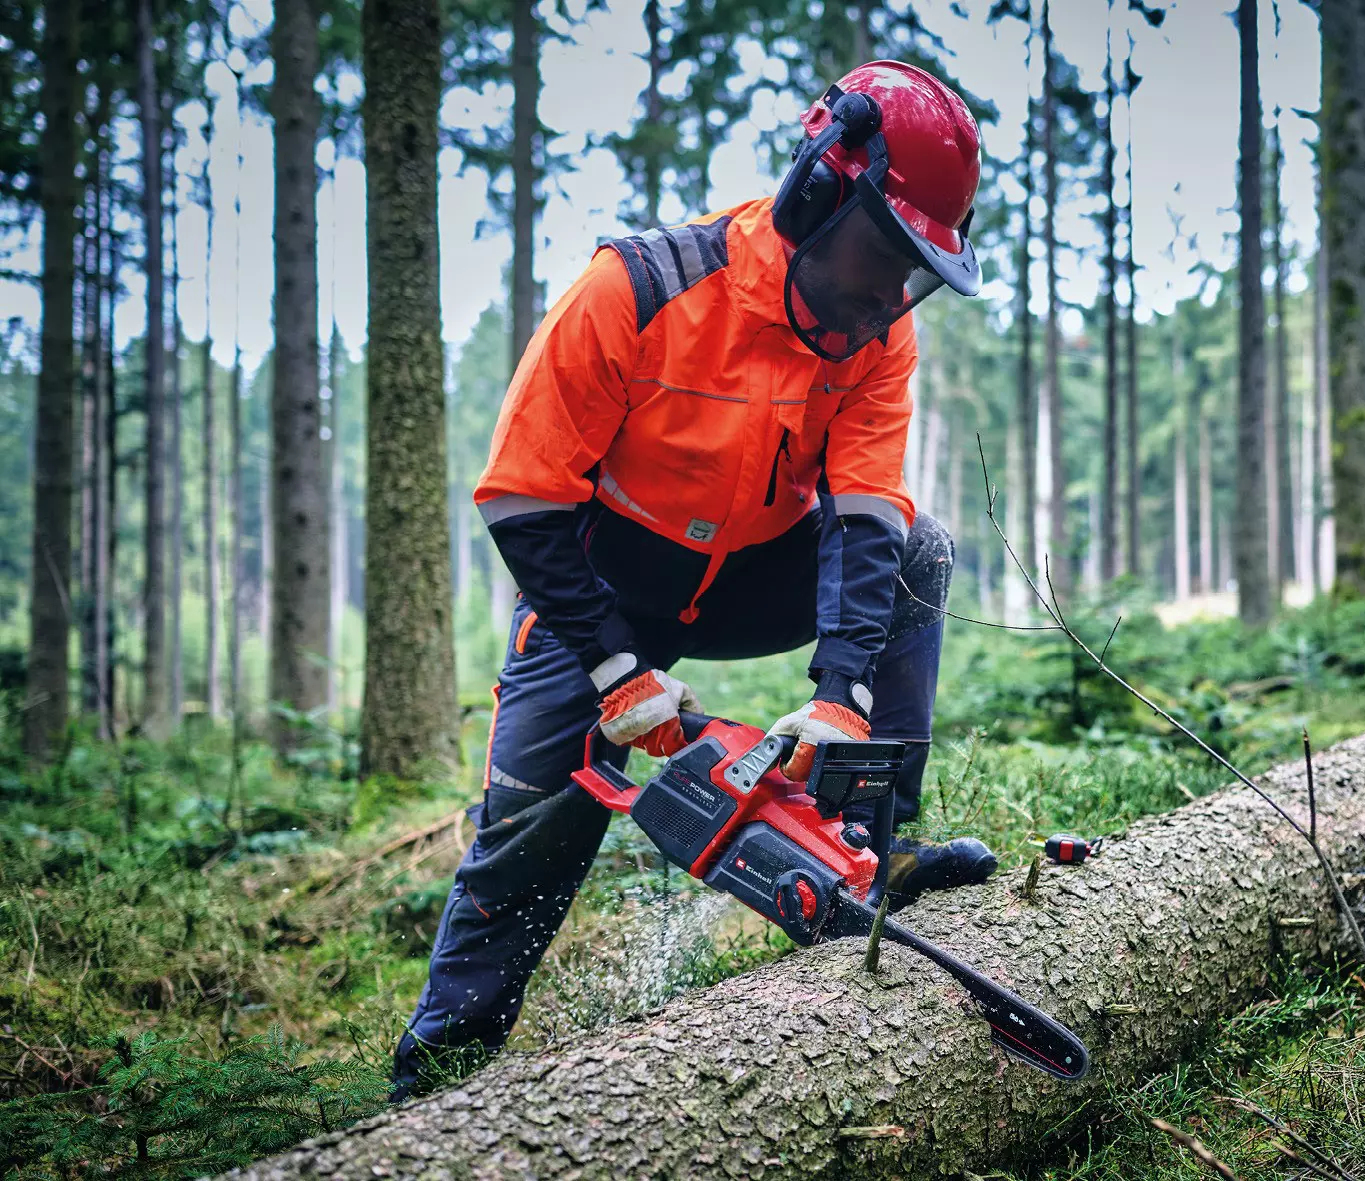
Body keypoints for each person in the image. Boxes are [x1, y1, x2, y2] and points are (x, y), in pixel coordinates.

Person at [391, 60, 998, 1100]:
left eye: (908, 271)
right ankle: (436, 1074)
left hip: (750, 571)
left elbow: (865, 513)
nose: (884, 294)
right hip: (603, 583)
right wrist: (616, 668)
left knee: (920, 550)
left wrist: (840, 695)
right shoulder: (635, 287)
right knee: (532, 817)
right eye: (877, 256)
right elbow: (521, 494)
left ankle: (862, 843)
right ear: (820, 186)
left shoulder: (877, 336)